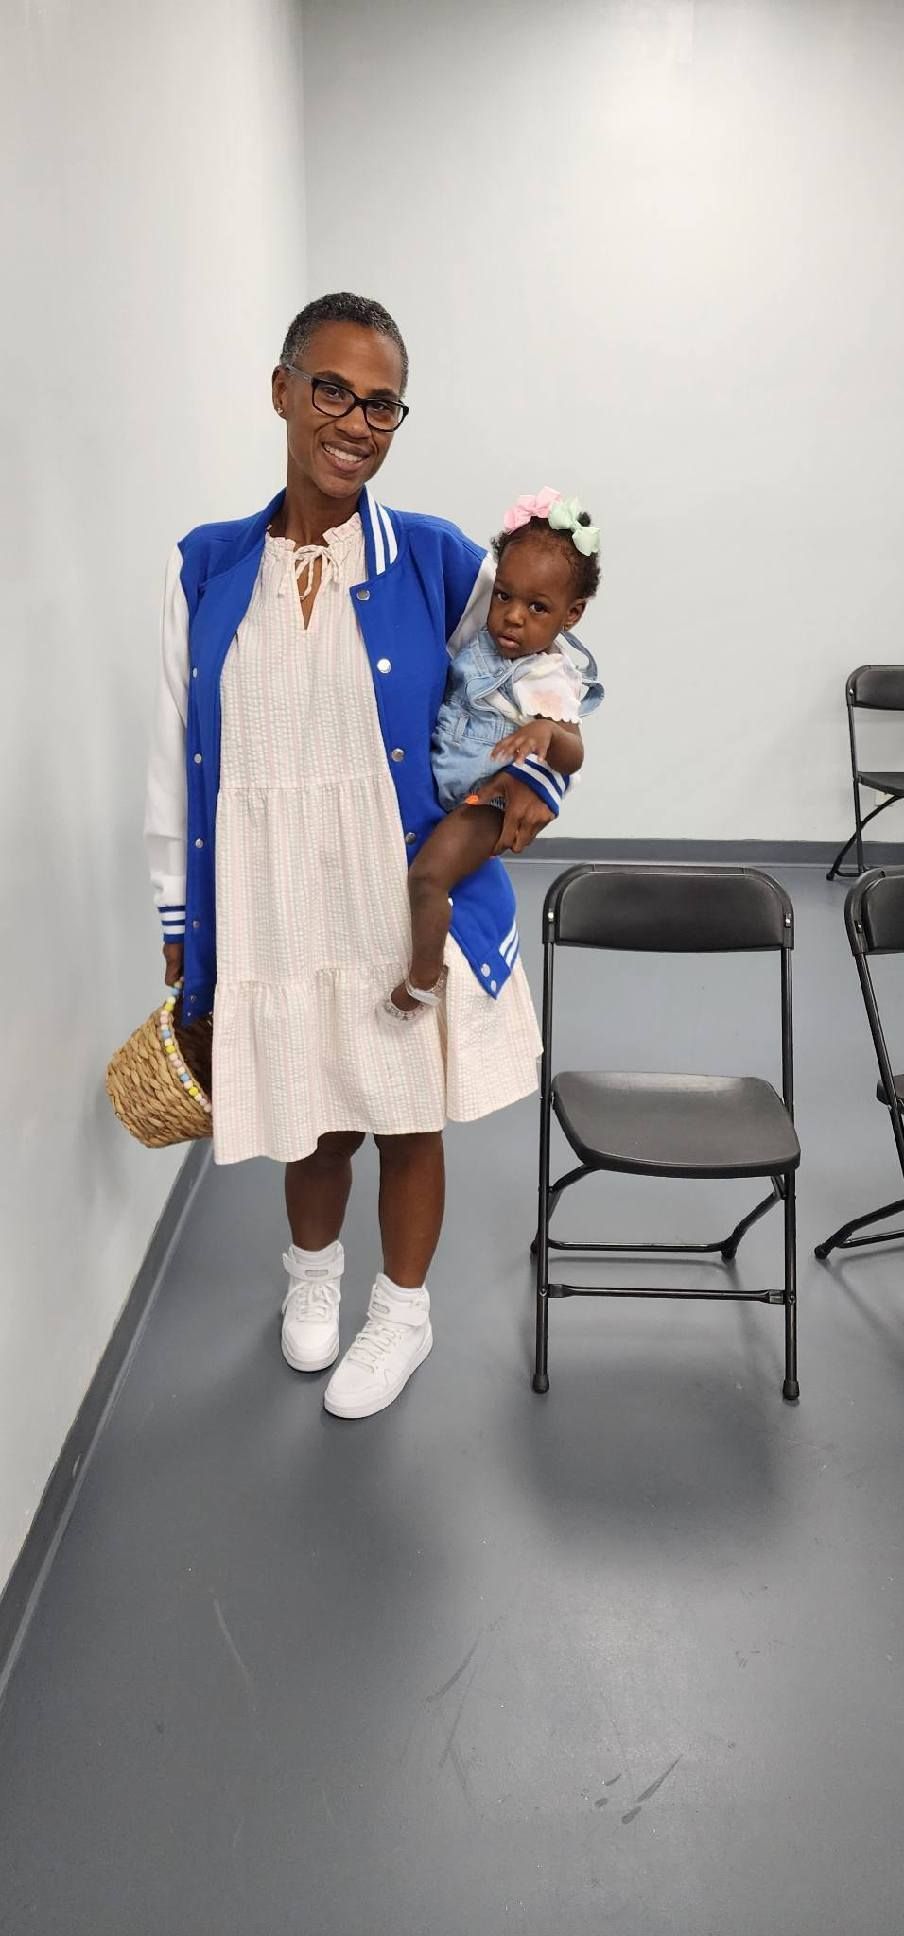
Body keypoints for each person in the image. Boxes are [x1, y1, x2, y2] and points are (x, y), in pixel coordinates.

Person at [144, 292, 581, 1420]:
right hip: (274, 887)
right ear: (281, 389)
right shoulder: (205, 566)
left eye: (381, 403)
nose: (355, 420)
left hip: (390, 888)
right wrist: (176, 923)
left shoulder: (434, 558)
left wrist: (534, 767)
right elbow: (171, 751)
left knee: (401, 1109)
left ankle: (401, 1310)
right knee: (311, 1103)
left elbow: (541, 664)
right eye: (332, 389)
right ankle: (312, 1280)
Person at [384, 489, 603, 1022]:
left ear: (570, 615)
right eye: (504, 596)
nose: (511, 618)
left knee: (428, 878)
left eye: (537, 608)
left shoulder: (546, 676)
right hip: (445, 784)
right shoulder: (478, 642)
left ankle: (423, 977)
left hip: (486, 802)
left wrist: (547, 734)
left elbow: (573, 754)